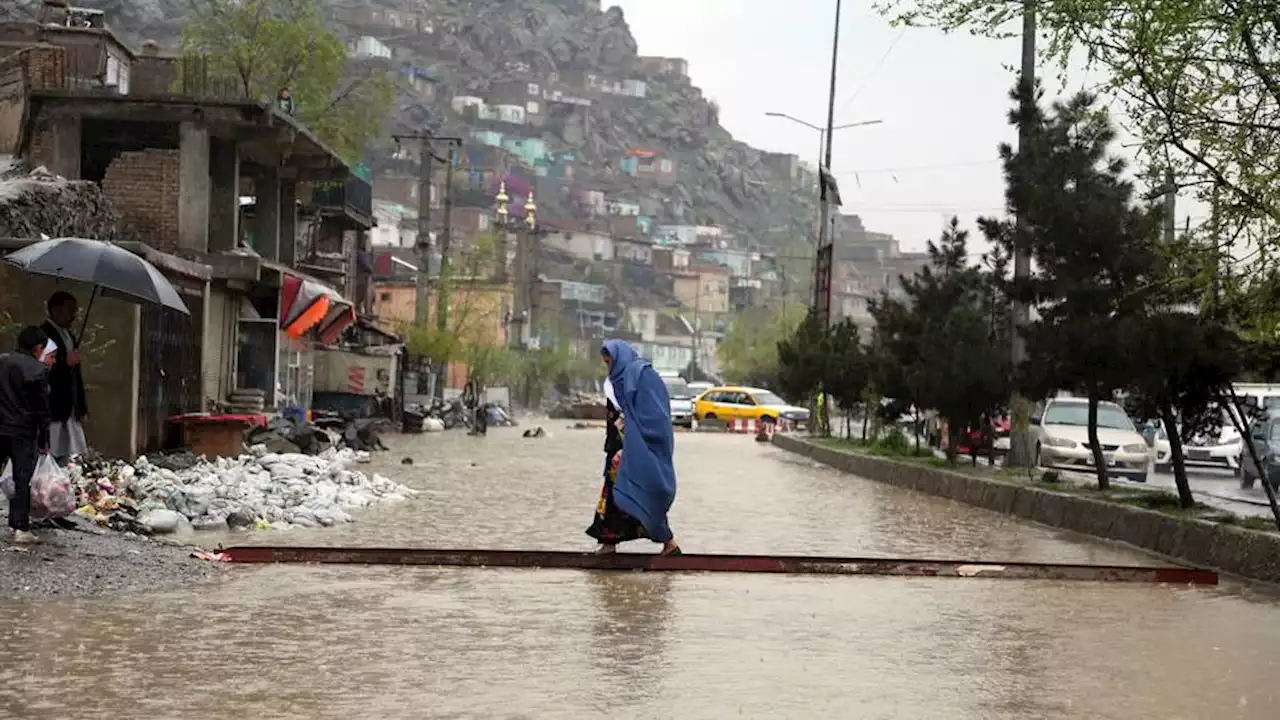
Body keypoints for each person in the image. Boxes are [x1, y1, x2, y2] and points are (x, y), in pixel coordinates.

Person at [585, 339, 681, 556]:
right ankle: (611, 543)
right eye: (605, 362)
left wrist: (634, 436)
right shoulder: (614, 382)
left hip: (635, 449)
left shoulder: (641, 377)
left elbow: (655, 414)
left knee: (641, 491)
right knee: (615, 495)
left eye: (610, 361)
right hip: (616, 449)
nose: (608, 366)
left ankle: (668, 542)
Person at [0, 326, 53, 544]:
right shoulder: (38, 371)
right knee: (22, 479)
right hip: (24, 432)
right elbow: (42, 410)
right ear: (38, 348)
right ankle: (20, 527)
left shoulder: (1, 361)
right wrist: (43, 441)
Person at [41, 291, 88, 463]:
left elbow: (76, 374)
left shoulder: (69, 335)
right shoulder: (43, 334)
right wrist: (63, 361)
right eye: (69, 310)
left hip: (70, 404)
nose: (73, 316)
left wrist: (81, 406)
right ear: (55, 309)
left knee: (71, 453)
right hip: (53, 403)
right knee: (51, 450)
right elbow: (40, 366)